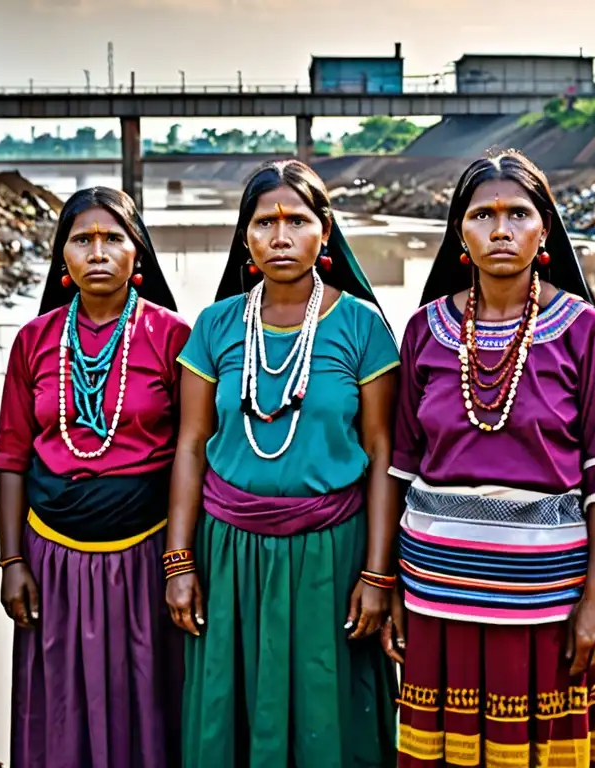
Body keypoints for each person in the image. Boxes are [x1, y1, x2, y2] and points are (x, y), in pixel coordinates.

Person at [385, 150, 595, 768]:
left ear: (544, 228)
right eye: (482, 215)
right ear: (459, 235)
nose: (501, 230)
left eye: (519, 214)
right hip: (436, 593)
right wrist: (386, 582)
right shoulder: (423, 331)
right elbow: (399, 466)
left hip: (546, 599)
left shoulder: (586, 333)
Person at [166, 159, 400, 767]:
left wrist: (377, 577)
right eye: (264, 222)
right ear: (244, 236)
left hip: (332, 553)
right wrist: (179, 560)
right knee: (230, 706)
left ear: (325, 231)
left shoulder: (361, 326)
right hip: (229, 553)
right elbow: (191, 445)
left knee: (329, 712)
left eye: (296, 220)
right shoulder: (215, 327)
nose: (280, 236)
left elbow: (382, 455)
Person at [0, 187, 187, 768]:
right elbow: (11, 460)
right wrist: (11, 563)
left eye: (113, 239)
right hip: (51, 561)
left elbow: (192, 459)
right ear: (63, 259)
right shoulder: (33, 340)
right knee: (60, 703)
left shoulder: (174, 337)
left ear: (138, 255)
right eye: (82, 240)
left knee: (147, 698)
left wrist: (183, 564)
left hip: (144, 560)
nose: (97, 252)